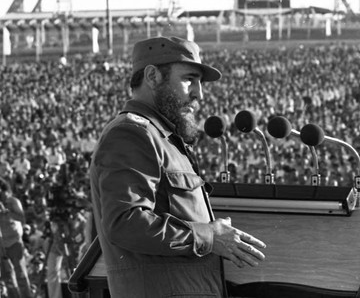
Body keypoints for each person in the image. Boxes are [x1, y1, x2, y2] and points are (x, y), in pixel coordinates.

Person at [89, 36, 266, 297]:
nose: (199, 93)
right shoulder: (131, 134)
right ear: (152, 77)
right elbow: (126, 222)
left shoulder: (164, 137)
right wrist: (209, 237)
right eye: (189, 79)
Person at [0, 178, 32, 298]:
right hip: (2, 244)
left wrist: (7, 211)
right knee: (8, 278)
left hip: (14, 242)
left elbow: (22, 219)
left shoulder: (13, 201)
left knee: (21, 276)